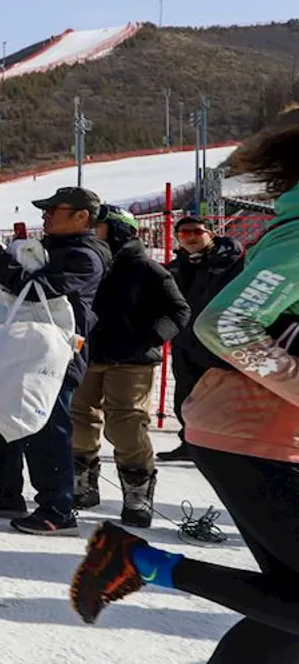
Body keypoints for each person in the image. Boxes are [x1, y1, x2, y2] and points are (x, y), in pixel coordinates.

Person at [69, 112, 299, 664]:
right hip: (247, 430)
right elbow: (224, 321)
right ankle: (140, 561)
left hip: (271, 434)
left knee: (291, 603)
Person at [0, 186, 110, 535]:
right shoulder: (51, 248)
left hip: (53, 356)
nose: (45, 215)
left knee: (47, 430)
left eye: (52, 210)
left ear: (81, 216)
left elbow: (32, 289)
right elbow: (5, 282)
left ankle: (58, 508)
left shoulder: (86, 256)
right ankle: (4, 492)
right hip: (16, 348)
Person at [69, 205, 190, 527]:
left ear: (118, 230)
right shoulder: (91, 262)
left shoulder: (147, 269)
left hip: (131, 361)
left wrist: (149, 338)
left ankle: (137, 494)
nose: (93, 231)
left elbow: (178, 311)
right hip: (88, 355)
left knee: (125, 426)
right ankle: (83, 484)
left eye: (100, 226)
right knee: (79, 419)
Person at [159, 216, 246, 463]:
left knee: (223, 396)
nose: (191, 237)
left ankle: (227, 449)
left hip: (220, 340)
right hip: (186, 340)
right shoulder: (175, 267)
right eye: (184, 233)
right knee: (186, 395)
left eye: (197, 231)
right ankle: (189, 443)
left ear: (211, 234)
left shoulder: (233, 263)